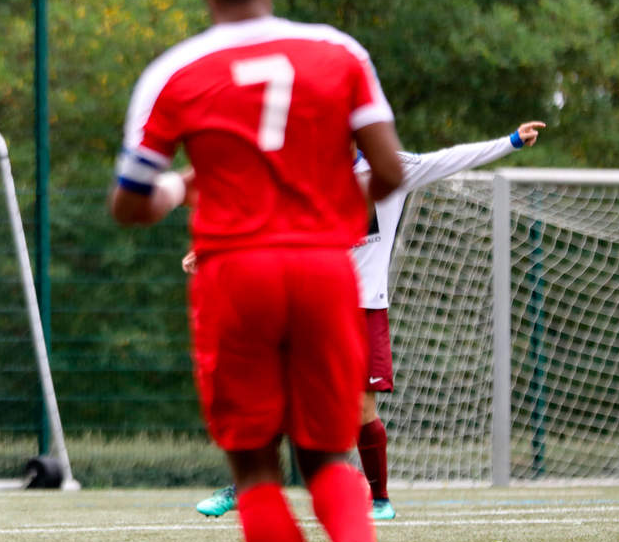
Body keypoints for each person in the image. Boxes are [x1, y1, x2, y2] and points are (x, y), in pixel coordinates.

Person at [110, 0, 408, 542]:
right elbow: (393, 171)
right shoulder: (339, 53)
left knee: (253, 468)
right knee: (330, 453)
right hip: (322, 267)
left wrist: (184, 184)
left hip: (233, 273)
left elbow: (129, 204)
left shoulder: (171, 73)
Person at [195, 120, 546, 521]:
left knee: (363, 409)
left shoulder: (390, 167)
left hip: (364, 307)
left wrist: (511, 141)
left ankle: (380, 500)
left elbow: (448, 160)